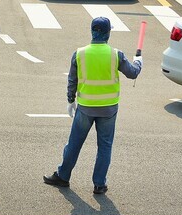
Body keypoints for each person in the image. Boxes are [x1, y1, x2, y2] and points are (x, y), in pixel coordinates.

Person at [43, 17, 142, 195]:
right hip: (109, 108)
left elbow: (72, 80)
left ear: (92, 32)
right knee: (104, 146)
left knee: (74, 143)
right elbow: (132, 73)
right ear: (108, 33)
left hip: (86, 107)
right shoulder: (116, 54)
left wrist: (70, 100)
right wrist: (138, 62)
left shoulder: (80, 53)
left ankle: (63, 176)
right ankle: (99, 184)